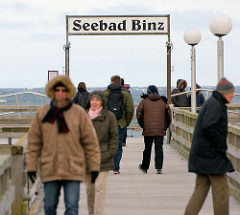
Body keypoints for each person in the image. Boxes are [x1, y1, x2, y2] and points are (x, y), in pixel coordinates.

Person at [26, 75, 100, 215]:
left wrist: (94, 167)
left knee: (72, 207)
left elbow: (91, 143)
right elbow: (33, 143)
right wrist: (31, 167)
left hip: (73, 167)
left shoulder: (79, 114)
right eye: (57, 90)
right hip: (50, 167)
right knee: (49, 207)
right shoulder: (42, 113)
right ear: (52, 91)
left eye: (63, 90)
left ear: (69, 92)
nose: (60, 93)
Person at [184, 77, 235, 215]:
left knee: (201, 188)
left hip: (203, 154)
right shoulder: (215, 105)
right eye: (231, 92)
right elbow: (209, 126)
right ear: (224, 93)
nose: (233, 95)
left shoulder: (214, 102)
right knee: (222, 189)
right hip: (210, 155)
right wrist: (220, 145)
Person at [84, 90, 118, 215]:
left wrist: (110, 153)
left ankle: (99, 213)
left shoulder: (109, 117)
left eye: (97, 100)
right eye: (92, 100)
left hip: (104, 159)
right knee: (90, 190)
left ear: (102, 102)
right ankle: (91, 212)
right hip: (86, 160)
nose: (94, 102)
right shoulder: (83, 116)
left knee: (100, 188)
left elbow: (114, 138)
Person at [136, 85, 171, 174]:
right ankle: (159, 168)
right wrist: (165, 127)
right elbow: (169, 116)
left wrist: (143, 126)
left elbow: (139, 115)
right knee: (159, 148)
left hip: (148, 129)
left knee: (147, 148)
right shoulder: (163, 102)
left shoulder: (144, 102)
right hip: (160, 130)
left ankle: (145, 167)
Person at [104, 75, 134, 174]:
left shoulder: (104, 93)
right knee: (118, 146)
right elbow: (130, 110)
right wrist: (126, 122)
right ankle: (116, 168)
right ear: (120, 82)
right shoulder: (125, 94)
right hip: (120, 123)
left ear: (111, 82)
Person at [121, 78, 131, 146]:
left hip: (116, 111)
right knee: (124, 126)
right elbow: (129, 103)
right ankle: (123, 141)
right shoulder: (127, 91)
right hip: (124, 110)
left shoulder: (114, 91)